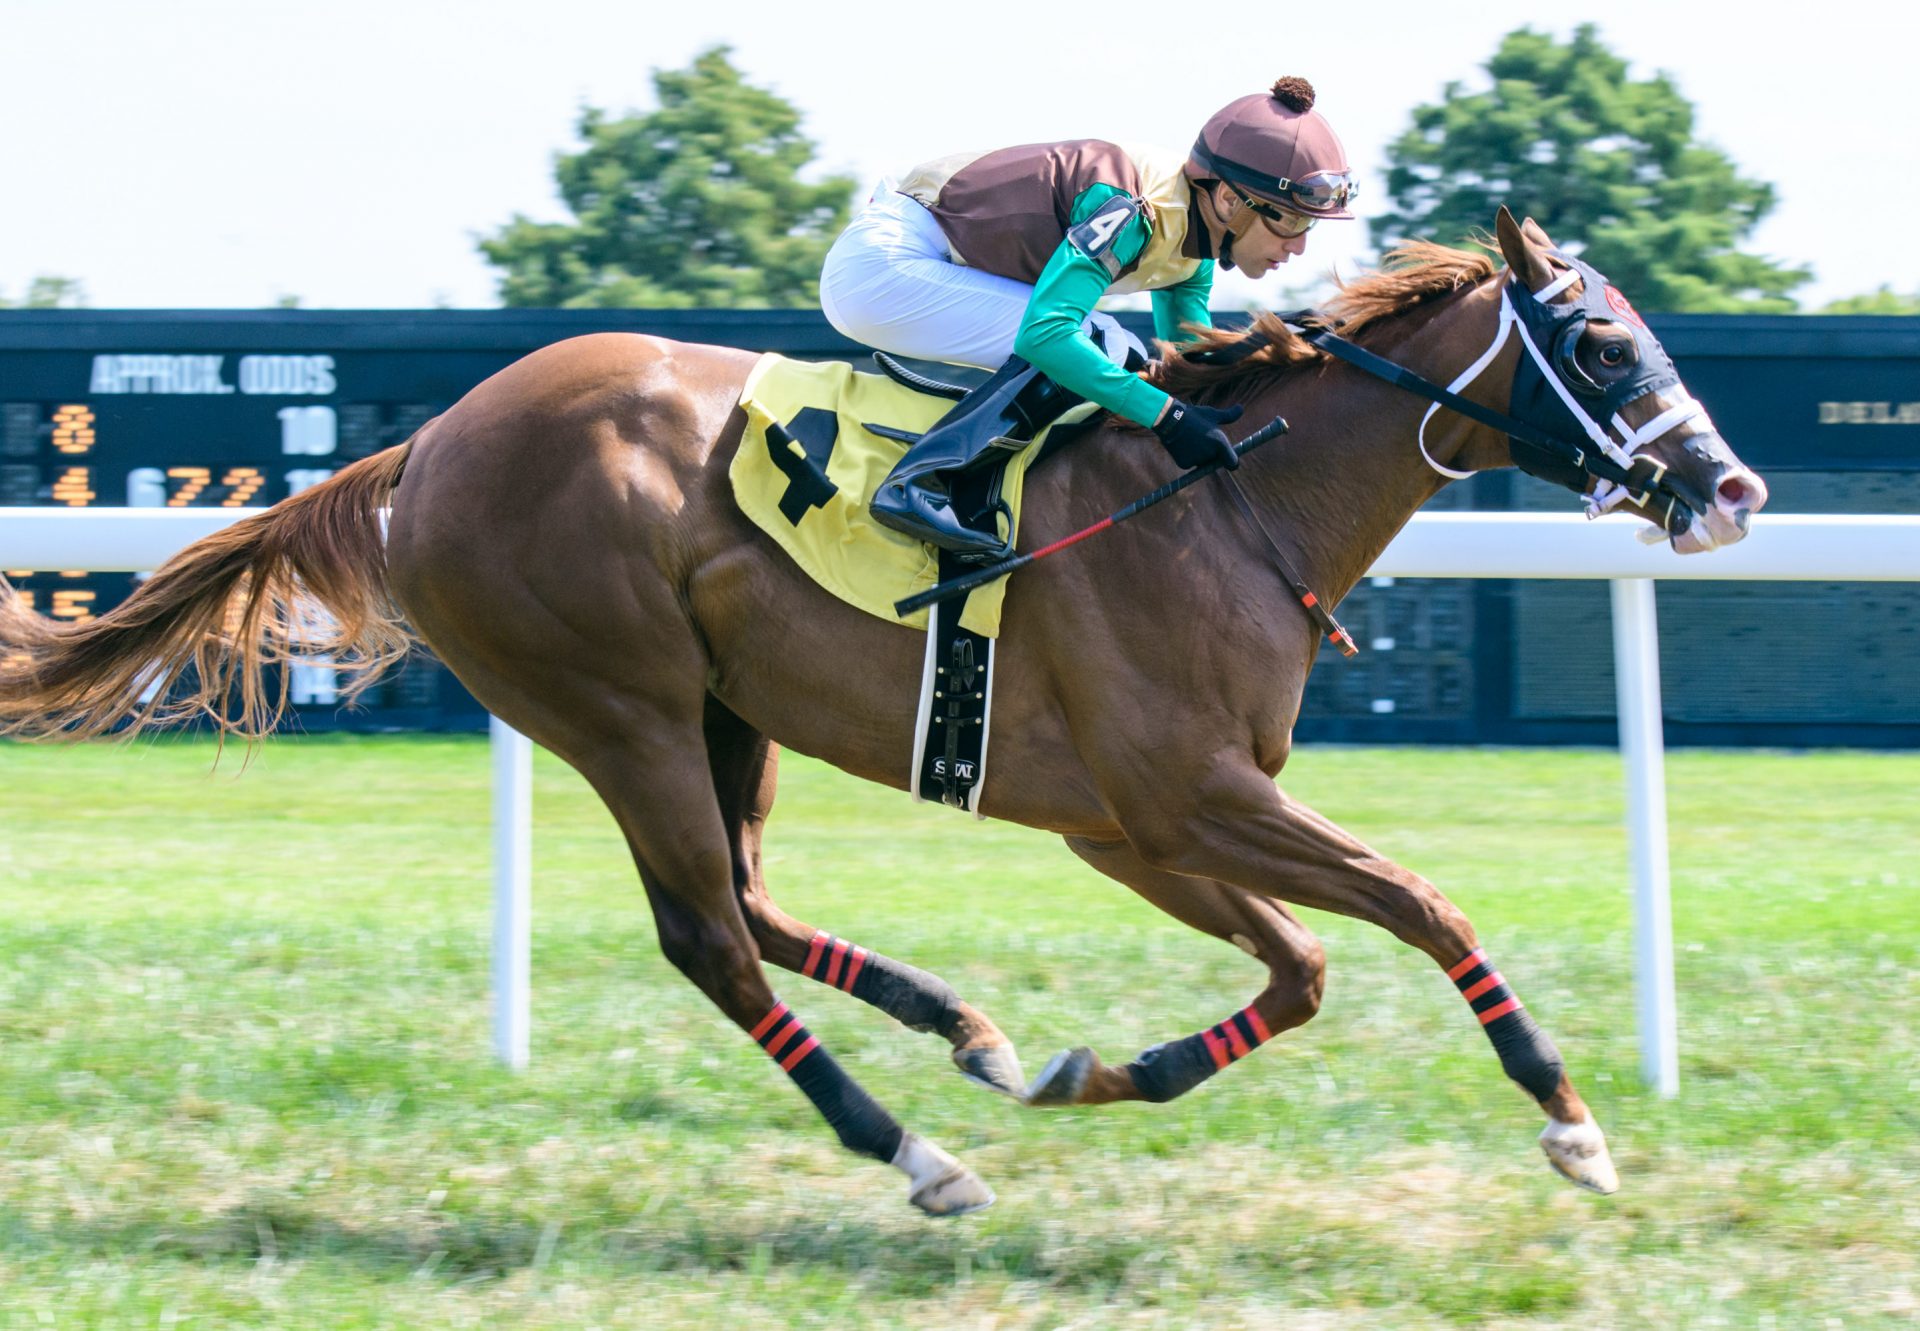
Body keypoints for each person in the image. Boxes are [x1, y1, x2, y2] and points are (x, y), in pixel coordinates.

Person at [819, 77, 1357, 559]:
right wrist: (1167, 418)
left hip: (924, 258)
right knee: (1101, 344)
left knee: (1131, 356)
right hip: (884, 266)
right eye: (1288, 219)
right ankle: (921, 483)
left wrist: (1276, 361)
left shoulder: (1194, 246)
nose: (1299, 246)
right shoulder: (1130, 209)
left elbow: (1183, 362)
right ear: (1228, 199)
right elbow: (1046, 335)